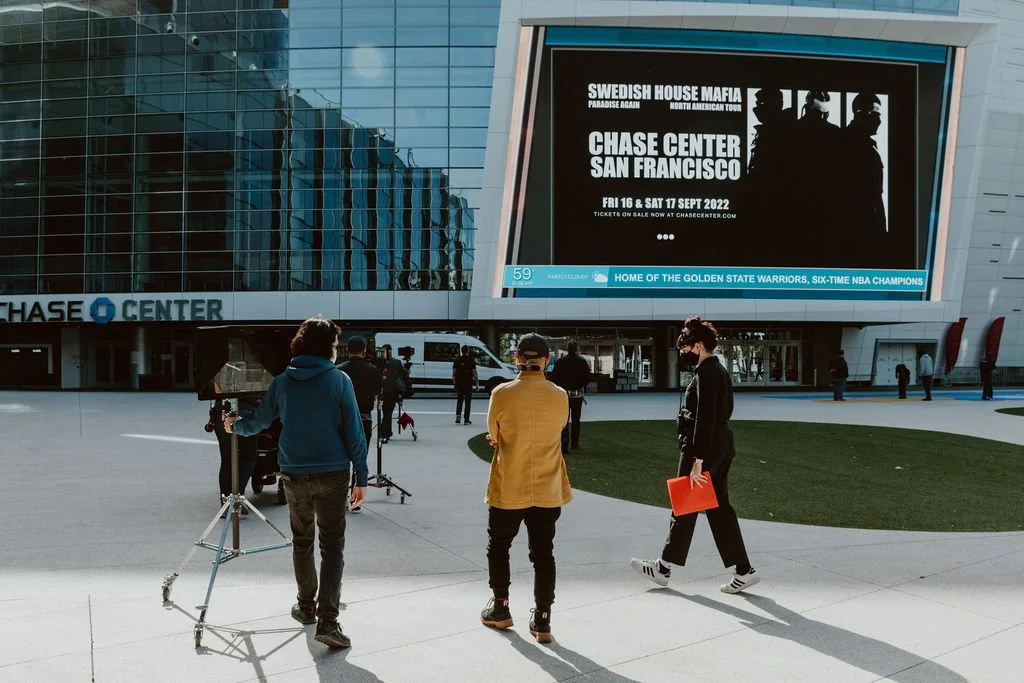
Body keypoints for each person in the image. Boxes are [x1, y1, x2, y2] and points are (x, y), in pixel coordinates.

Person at [225, 316, 367, 650]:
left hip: (292, 473)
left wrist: (234, 425)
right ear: (327, 346)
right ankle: (328, 621)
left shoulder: (282, 382)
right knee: (332, 547)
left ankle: (306, 607)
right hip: (332, 474)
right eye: (335, 343)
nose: (337, 348)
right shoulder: (339, 380)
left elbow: (258, 422)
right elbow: (354, 432)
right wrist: (362, 477)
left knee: (302, 541)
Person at [630, 316, 759, 595]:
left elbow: (705, 417)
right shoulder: (718, 370)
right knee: (716, 509)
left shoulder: (706, 373)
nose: (684, 353)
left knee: (685, 506)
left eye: (687, 347)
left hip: (703, 450)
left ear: (699, 346)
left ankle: (663, 568)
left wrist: (698, 459)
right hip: (719, 446)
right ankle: (743, 570)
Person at [481, 333, 572, 644]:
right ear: (546, 361)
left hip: (510, 484)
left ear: (517, 359)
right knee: (544, 553)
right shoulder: (560, 395)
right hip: (547, 487)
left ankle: (501, 607)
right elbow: (559, 428)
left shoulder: (501, 393)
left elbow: (493, 434)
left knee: (499, 546)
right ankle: (543, 618)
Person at [840, 93, 888, 267]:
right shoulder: (851, 144)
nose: (879, 121)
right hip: (860, 230)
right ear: (860, 113)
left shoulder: (858, 142)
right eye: (875, 114)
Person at [338, 336, 380, 513]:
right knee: (359, 459)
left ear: (347, 350)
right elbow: (377, 392)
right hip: (363, 418)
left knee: (341, 459)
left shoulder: (339, 371)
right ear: (364, 350)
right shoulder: (372, 370)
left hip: (341, 420)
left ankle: (339, 497)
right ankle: (355, 500)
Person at [210, 397, 258, 516]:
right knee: (249, 456)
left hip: (222, 410)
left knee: (227, 459)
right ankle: (238, 495)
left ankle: (226, 500)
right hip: (246, 411)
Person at [551, 341, 591, 454]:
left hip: (563, 395)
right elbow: (587, 378)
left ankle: (564, 446)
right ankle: (575, 443)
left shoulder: (560, 362)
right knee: (576, 419)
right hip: (577, 394)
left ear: (567, 349)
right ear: (577, 349)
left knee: (564, 420)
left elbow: (554, 378)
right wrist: (581, 386)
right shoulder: (582, 362)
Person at [379, 344, 408, 443]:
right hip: (392, 391)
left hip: (382, 390)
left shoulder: (379, 363)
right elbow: (404, 374)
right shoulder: (396, 362)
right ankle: (384, 433)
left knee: (386, 412)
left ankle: (387, 432)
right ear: (390, 351)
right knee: (388, 412)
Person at [452, 345, 478, 425]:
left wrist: (454, 384)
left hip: (459, 384)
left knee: (459, 400)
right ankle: (466, 420)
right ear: (468, 351)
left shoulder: (457, 360)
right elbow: (475, 374)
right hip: (468, 383)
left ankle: (458, 416)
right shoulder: (471, 360)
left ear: (461, 351)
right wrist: (477, 384)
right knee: (467, 401)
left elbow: (454, 373)